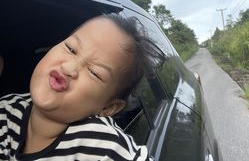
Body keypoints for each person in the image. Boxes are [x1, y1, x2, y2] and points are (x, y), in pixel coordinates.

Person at [0, 13, 163, 160]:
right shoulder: (8, 108)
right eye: (70, 48)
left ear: (108, 107)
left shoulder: (103, 146)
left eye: (94, 72)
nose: (69, 68)